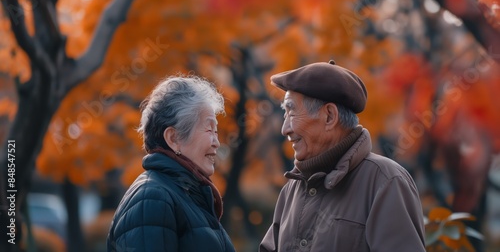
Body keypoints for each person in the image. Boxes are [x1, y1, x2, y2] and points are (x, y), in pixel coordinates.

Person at [260, 60, 426, 251]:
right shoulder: (291, 189)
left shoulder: (386, 181)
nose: (284, 129)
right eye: (285, 114)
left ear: (329, 116)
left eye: (292, 112)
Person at [107, 75, 235, 252]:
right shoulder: (152, 198)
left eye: (216, 131)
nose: (217, 142)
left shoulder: (186, 195)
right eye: (209, 129)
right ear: (173, 138)